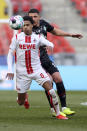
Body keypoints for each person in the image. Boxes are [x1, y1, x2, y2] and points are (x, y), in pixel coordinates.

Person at [6, 16, 68, 120]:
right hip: (22, 73)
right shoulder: (16, 38)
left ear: (32, 26)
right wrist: (10, 70)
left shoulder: (37, 37)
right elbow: (10, 54)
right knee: (20, 103)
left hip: (37, 70)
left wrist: (50, 45)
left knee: (51, 90)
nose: (26, 27)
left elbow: (48, 42)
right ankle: (24, 97)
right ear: (21, 26)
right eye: (24, 25)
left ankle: (58, 113)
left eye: (28, 25)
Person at [28, 8, 83, 116]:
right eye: (31, 17)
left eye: (35, 16)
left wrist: (71, 35)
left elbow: (55, 31)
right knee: (48, 81)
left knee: (58, 78)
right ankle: (54, 110)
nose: (33, 19)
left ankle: (64, 108)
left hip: (45, 58)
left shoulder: (43, 24)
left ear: (39, 17)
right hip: (35, 60)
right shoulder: (27, 28)